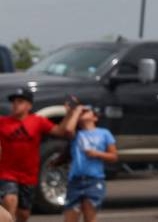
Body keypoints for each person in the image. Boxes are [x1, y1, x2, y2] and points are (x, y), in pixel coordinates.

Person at [0, 88, 80, 222]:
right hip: (7, 172)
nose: (15, 105)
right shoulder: (3, 122)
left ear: (29, 105)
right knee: (10, 200)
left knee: (24, 214)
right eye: (14, 102)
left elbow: (60, 132)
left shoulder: (38, 121)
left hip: (28, 174)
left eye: (20, 101)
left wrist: (70, 114)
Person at [61, 103, 117, 222]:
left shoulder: (104, 133)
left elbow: (113, 156)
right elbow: (68, 130)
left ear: (94, 117)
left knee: (89, 215)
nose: (82, 113)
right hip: (75, 180)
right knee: (70, 216)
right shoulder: (77, 134)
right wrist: (75, 112)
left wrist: (97, 154)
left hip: (93, 179)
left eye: (86, 111)